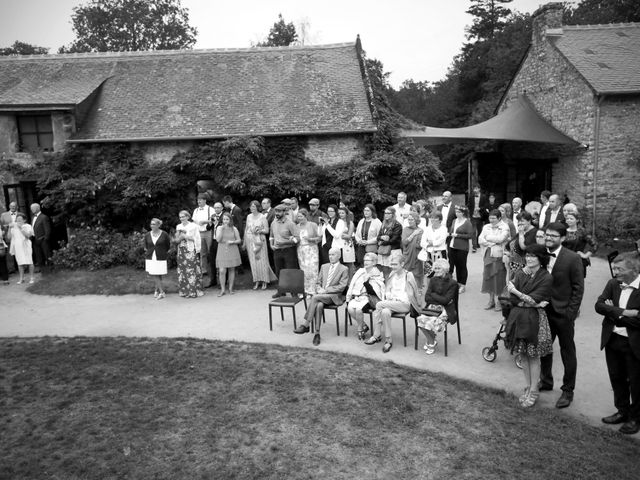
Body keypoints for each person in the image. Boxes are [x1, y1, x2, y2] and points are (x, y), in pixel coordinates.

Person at [539, 222, 585, 409]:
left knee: (567, 351)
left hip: (563, 313)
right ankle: (546, 381)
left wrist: (570, 313)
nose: (548, 238)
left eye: (553, 236)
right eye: (547, 235)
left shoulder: (572, 258)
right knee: (545, 348)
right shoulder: (541, 253)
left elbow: (578, 288)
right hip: (543, 311)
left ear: (563, 238)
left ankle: (568, 390)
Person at [595, 252, 640, 435]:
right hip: (612, 339)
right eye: (614, 268)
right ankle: (622, 411)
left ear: (634, 269)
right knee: (617, 378)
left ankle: (635, 418)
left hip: (634, 344)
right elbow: (599, 305)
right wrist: (626, 312)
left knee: (637, 383)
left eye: (619, 269)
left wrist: (613, 312)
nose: (615, 273)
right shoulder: (613, 284)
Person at [504, 244, 554, 408]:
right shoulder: (520, 273)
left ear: (541, 258)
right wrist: (525, 300)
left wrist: (517, 292)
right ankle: (528, 386)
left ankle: (534, 390)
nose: (529, 258)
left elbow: (535, 299)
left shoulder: (546, 277)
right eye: (528, 255)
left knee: (533, 356)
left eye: (533, 256)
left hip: (535, 320)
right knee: (523, 355)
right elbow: (512, 299)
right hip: (520, 317)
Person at [365, 252, 422, 353]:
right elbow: (388, 289)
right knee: (385, 312)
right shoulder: (392, 274)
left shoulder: (409, 275)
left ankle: (376, 335)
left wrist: (419, 306)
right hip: (392, 303)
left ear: (402, 264)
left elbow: (415, 291)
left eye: (395, 264)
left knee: (379, 304)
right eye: (392, 264)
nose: (393, 267)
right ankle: (388, 341)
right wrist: (388, 295)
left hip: (404, 304)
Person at [293, 248, 349, 346]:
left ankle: (306, 324)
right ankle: (317, 333)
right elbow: (318, 282)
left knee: (314, 297)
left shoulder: (344, 269)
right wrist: (319, 289)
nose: (330, 257)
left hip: (334, 296)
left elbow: (342, 286)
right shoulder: (324, 267)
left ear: (339, 256)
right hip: (321, 295)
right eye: (329, 254)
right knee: (318, 305)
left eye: (333, 254)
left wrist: (326, 291)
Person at [416, 258, 458, 355]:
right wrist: (439, 298)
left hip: (446, 309)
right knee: (420, 320)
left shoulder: (453, 283)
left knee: (432, 322)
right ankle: (432, 341)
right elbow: (427, 298)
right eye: (435, 268)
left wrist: (433, 295)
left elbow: (446, 301)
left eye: (439, 268)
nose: (436, 271)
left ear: (445, 269)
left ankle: (431, 342)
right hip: (431, 307)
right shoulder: (433, 280)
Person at [346, 252, 385, 340]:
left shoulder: (377, 274)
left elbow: (375, 292)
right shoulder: (360, 271)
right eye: (364, 260)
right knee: (350, 309)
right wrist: (351, 296)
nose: (365, 262)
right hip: (357, 296)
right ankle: (364, 325)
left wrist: (366, 282)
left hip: (369, 298)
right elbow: (352, 284)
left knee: (359, 310)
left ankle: (360, 329)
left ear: (374, 262)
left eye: (368, 260)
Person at [478, 209, 509, 311]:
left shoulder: (505, 227)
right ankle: (491, 300)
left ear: (499, 218)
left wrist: (488, 238)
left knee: (499, 279)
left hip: (499, 255)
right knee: (488, 278)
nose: (491, 220)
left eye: (493, 218)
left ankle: (499, 301)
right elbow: (480, 239)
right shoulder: (486, 226)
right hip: (488, 254)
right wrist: (491, 242)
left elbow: (501, 239)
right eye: (490, 218)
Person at [244, 200, 276, 290]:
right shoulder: (248, 216)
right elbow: (246, 229)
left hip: (260, 241)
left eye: (254, 206)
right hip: (250, 241)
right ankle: (257, 281)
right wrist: (245, 241)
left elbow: (267, 230)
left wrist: (259, 230)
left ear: (257, 207)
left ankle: (265, 281)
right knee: (253, 262)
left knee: (262, 261)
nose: (252, 208)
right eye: (251, 206)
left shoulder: (262, 217)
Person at [270, 203, 299, 297]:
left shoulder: (290, 223)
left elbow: (297, 239)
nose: (277, 213)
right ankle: (281, 291)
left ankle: (294, 292)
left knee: (290, 271)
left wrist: (285, 243)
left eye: (279, 211)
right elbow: (271, 236)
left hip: (289, 250)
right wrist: (271, 245)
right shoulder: (273, 223)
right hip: (277, 251)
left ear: (284, 212)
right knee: (279, 271)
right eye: (276, 211)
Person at [175, 210, 204, 298]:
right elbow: (176, 240)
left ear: (188, 217)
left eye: (183, 216)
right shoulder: (178, 226)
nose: (182, 218)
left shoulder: (193, 226)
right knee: (183, 270)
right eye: (180, 217)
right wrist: (179, 236)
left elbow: (197, 238)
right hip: (181, 250)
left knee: (191, 270)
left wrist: (185, 236)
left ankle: (194, 291)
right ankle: (185, 291)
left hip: (190, 249)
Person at [447, 205, 474, 294]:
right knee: (452, 264)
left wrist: (458, 235)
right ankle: (457, 284)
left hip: (462, 247)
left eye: (459, 212)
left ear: (463, 213)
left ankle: (462, 285)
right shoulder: (454, 221)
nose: (457, 213)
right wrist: (449, 234)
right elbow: (451, 231)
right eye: (456, 212)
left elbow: (470, 235)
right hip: (452, 245)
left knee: (461, 266)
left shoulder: (467, 223)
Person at [563, 211, 597, 278]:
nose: (569, 220)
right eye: (567, 219)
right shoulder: (563, 231)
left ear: (577, 220)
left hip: (578, 262)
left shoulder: (582, 231)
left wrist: (585, 255)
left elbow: (595, 244)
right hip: (564, 262)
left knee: (577, 284)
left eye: (571, 219)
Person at [143, 218, 171, 299]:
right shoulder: (147, 234)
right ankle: (162, 292)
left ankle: (156, 291)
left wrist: (162, 251)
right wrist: (149, 250)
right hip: (151, 257)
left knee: (159, 274)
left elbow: (168, 245)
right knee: (154, 274)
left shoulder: (164, 234)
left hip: (161, 256)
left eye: (154, 224)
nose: (152, 226)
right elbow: (145, 246)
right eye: (151, 224)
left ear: (158, 225)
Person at [216, 212, 242, 296]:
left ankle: (231, 288)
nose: (225, 221)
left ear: (230, 220)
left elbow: (239, 240)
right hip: (222, 249)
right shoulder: (219, 228)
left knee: (231, 269)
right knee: (222, 270)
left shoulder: (234, 228)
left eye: (227, 219)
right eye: (224, 219)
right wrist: (222, 230)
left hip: (232, 249)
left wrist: (233, 241)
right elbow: (218, 240)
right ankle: (223, 289)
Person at [296, 208, 321, 296]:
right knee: (304, 271)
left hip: (311, 250)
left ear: (305, 216)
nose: (299, 218)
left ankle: (313, 290)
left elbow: (319, 238)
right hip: (301, 250)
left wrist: (310, 239)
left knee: (313, 270)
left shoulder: (312, 225)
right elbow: (296, 238)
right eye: (298, 216)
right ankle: (305, 290)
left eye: (301, 216)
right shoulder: (297, 226)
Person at [377, 206, 403, 276]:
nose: (386, 215)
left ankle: (392, 286)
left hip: (393, 251)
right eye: (385, 213)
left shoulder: (397, 225)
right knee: (385, 271)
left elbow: (394, 240)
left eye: (388, 213)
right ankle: (386, 286)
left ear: (393, 214)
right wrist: (382, 237)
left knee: (393, 272)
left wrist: (382, 242)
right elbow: (378, 237)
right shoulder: (383, 224)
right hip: (384, 251)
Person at [9, 213, 34, 284]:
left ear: (24, 220)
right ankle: (21, 278)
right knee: (19, 262)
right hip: (17, 246)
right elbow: (9, 237)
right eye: (17, 220)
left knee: (29, 261)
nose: (18, 221)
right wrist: (9, 228)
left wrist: (20, 227)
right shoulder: (13, 227)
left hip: (26, 244)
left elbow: (28, 236)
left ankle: (31, 277)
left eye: (20, 220)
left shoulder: (27, 226)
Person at [192, 194, 213, 277]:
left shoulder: (210, 209)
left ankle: (214, 270)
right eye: (198, 200)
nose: (199, 201)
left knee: (211, 252)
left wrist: (205, 221)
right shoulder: (196, 210)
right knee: (202, 253)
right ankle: (203, 270)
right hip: (199, 233)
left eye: (200, 200)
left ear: (205, 200)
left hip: (208, 232)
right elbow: (194, 221)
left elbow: (214, 219)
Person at [402, 212, 424, 289]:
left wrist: (414, 244)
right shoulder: (405, 229)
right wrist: (413, 235)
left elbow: (421, 244)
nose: (410, 221)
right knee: (406, 274)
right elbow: (404, 242)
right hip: (406, 255)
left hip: (416, 256)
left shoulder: (420, 230)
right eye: (409, 219)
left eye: (412, 219)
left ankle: (418, 292)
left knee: (417, 275)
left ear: (416, 220)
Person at [1, 201, 24, 274]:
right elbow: (1, 226)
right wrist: (8, 226)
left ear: (16, 207)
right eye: (11, 206)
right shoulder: (3, 215)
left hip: (19, 236)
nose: (13, 207)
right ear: (9, 207)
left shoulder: (21, 214)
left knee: (20, 251)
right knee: (9, 253)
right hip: (9, 236)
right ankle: (11, 269)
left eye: (14, 206)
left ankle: (23, 267)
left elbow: (24, 224)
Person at [467, 185, 489, 253]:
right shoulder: (471, 197)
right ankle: (474, 247)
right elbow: (469, 205)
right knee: (473, 231)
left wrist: (480, 208)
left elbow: (485, 205)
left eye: (476, 189)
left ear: (479, 189)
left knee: (480, 231)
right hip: (473, 217)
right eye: (474, 189)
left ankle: (478, 243)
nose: (475, 190)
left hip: (480, 216)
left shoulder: (483, 197)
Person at [207, 202, 224, 288]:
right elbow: (208, 228)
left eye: (218, 207)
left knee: (222, 261)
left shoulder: (225, 215)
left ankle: (223, 281)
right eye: (215, 208)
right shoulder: (213, 215)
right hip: (213, 241)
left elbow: (225, 226)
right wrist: (210, 223)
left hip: (221, 241)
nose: (216, 209)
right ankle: (213, 280)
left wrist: (217, 223)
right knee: (212, 260)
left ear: (222, 208)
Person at [30, 203, 52, 269]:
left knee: (47, 254)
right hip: (35, 239)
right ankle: (42, 269)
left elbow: (47, 229)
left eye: (33, 208)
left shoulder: (44, 217)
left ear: (38, 208)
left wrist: (45, 238)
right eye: (31, 208)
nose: (31, 210)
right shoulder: (33, 217)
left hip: (43, 239)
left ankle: (50, 268)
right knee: (38, 255)